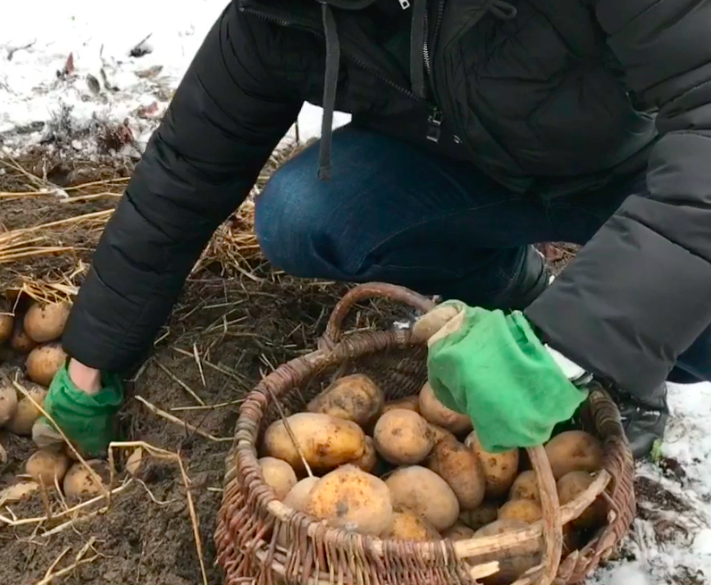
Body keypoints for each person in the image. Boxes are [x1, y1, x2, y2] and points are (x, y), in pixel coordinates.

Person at [33, 0, 711, 460]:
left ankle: (615, 369)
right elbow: (184, 173)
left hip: (626, 177)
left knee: (696, 331)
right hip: (470, 174)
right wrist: (93, 359)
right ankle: (522, 299)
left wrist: (576, 340)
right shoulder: (284, 13)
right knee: (305, 213)